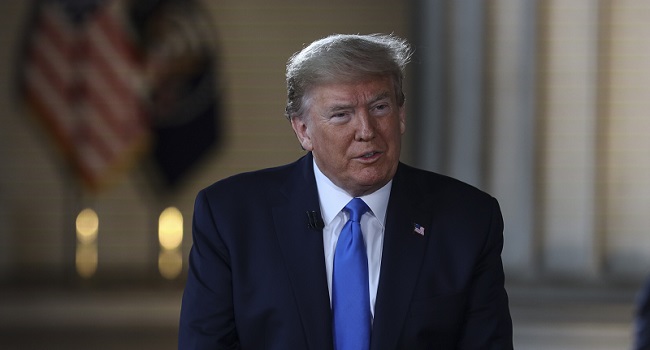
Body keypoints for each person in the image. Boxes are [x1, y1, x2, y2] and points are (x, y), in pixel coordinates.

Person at [178, 33, 513, 349]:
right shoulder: (230, 217)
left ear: (401, 115)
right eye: (342, 115)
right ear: (304, 130)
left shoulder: (468, 220)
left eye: (380, 108)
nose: (366, 131)